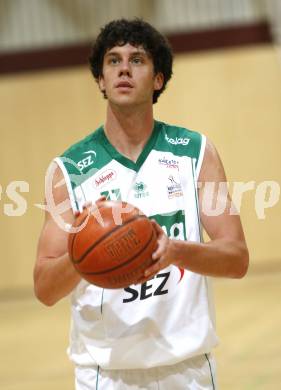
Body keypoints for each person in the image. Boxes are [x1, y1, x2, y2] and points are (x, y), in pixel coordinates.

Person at [34, 18, 249, 390]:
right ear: (100, 79)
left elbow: (236, 258)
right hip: (106, 375)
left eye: (137, 60)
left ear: (159, 78)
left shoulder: (195, 152)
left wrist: (176, 251)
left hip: (188, 370)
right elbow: (44, 287)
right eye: (113, 61)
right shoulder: (68, 171)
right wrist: (85, 253)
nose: (123, 69)